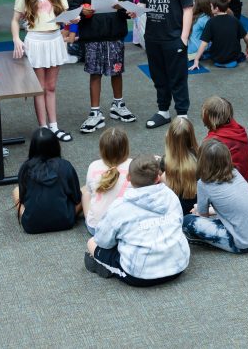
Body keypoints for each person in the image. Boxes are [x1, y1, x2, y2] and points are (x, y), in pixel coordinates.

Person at [84, 155, 190, 287]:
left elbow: (103, 241)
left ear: (128, 177)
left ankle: (107, 266)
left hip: (140, 275)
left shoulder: (119, 206)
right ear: (158, 177)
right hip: (178, 266)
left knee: (92, 242)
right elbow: (178, 225)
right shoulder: (170, 195)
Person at [70, 0, 137, 133]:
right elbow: (73, 9)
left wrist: (122, 7)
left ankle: (118, 105)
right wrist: (82, 12)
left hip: (115, 36)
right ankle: (95, 113)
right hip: (92, 39)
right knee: (95, 74)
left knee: (116, 72)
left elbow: (130, 8)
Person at [12, 0, 73, 140]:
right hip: (35, 42)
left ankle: (54, 127)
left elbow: (67, 17)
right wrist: (16, 39)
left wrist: (71, 26)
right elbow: (15, 20)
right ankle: (43, 128)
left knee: (51, 86)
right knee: (39, 87)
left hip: (55, 40)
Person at [137, 0, 193, 128]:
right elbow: (143, 4)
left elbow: (188, 9)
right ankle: (163, 111)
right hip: (153, 38)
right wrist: (133, 10)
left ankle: (182, 114)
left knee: (177, 77)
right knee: (158, 77)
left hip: (174, 38)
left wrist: (184, 37)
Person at [182, 139, 248, 253]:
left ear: (202, 161)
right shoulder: (235, 172)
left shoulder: (203, 184)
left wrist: (198, 210)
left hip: (246, 243)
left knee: (188, 220)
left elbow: (203, 216)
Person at [12, 127, 82, 234]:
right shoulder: (65, 165)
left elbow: (24, 197)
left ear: (33, 148)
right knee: (87, 192)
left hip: (31, 226)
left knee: (16, 191)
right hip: (65, 221)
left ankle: (32, 217)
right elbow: (77, 197)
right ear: (55, 145)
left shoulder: (26, 167)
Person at [81, 127, 132, 236]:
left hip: (97, 228)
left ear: (102, 150)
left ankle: (90, 219)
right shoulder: (133, 165)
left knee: (86, 194)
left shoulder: (94, 166)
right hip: (126, 229)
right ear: (126, 148)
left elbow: (90, 191)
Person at [190, 0, 248, 69]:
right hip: (233, 57)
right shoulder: (235, 20)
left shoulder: (210, 22)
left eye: (211, 6)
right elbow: (247, 38)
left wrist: (196, 60)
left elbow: (204, 43)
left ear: (217, 9)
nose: (210, 8)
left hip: (217, 58)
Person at [201, 95, 248, 181]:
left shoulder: (212, 140)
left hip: (229, 181)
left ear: (209, 118)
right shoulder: (238, 128)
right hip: (244, 175)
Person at [163, 116, 199, 215]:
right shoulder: (201, 157)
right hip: (196, 206)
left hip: (175, 208)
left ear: (170, 138)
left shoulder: (165, 161)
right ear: (192, 136)